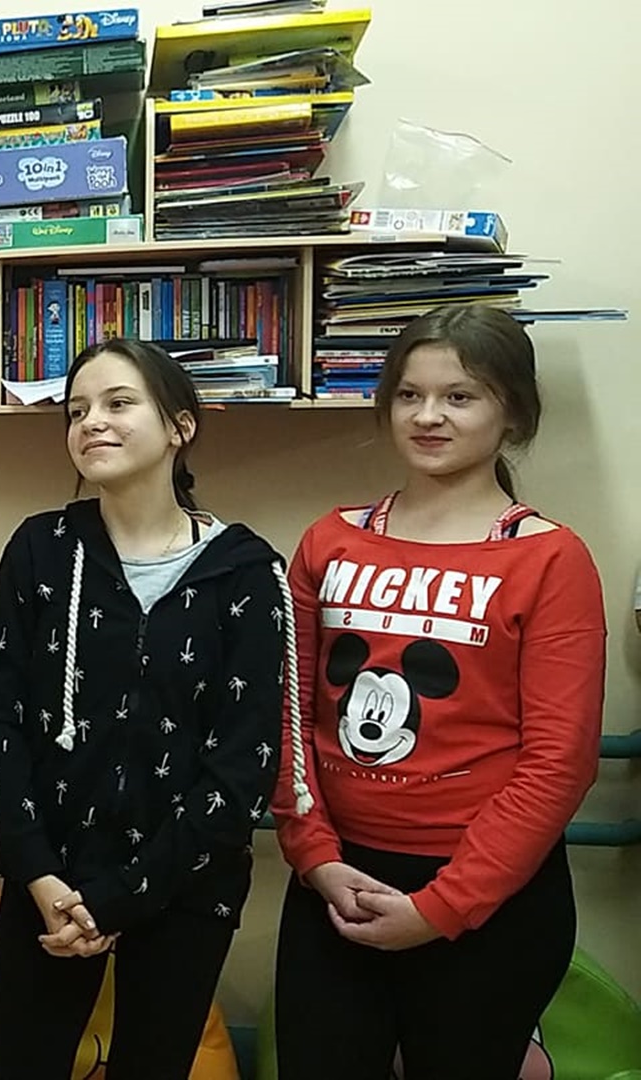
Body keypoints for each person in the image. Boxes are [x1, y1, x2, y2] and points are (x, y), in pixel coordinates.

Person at [272, 304, 607, 1080]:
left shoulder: (550, 559)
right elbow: (286, 720)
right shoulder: (329, 541)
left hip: (489, 899)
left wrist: (442, 907)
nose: (428, 417)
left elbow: (559, 761)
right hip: (336, 884)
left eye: (460, 396)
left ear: (512, 412)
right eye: (408, 395)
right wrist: (315, 857)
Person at [0, 339, 295, 1079]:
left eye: (119, 403)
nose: (92, 422)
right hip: (51, 879)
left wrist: (120, 900)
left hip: (186, 881)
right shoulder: (42, 549)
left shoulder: (246, 572)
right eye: (77, 410)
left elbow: (244, 764)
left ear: (180, 426)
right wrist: (41, 875)